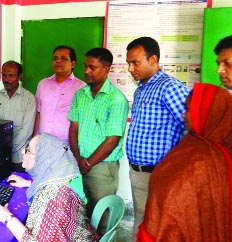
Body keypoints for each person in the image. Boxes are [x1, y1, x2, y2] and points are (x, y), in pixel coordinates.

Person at [137, 83, 232, 242]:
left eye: (188, 109)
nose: (183, 115)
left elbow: (174, 201)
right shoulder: (200, 146)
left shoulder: (200, 158)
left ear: (208, 114)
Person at [125, 36, 190, 237]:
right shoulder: (141, 90)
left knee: (158, 227)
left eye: (135, 62)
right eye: (128, 63)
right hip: (138, 173)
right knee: (141, 222)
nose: (130, 68)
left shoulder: (168, 87)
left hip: (159, 174)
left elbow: (191, 127)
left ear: (153, 60)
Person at [0, 133, 98, 241]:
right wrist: (29, 183)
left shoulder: (54, 199)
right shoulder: (64, 180)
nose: (23, 152)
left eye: (28, 150)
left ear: (44, 160)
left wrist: (7, 218)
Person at [68, 48, 129, 234]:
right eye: (86, 66)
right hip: (77, 164)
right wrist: (79, 159)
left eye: (92, 67)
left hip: (102, 168)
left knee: (102, 219)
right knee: (79, 215)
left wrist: (88, 163)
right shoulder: (80, 95)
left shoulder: (116, 100)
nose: (86, 71)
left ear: (106, 69)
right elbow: (73, 129)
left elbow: (112, 140)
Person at [33, 45, 86, 143]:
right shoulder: (43, 84)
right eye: (55, 58)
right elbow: (39, 113)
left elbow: (84, 120)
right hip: (42, 142)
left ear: (73, 64)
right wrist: (34, 138)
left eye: (64, 59)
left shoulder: (81, 88)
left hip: (67, 144)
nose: (58, 61)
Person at [0, 60, 36, 172]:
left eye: (11, 76)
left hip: (19, 157)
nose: (6, 79)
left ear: (20, 77)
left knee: (17, 184)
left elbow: (27, 130)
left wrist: (8, 148)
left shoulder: (28, 99)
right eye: (4, 75)